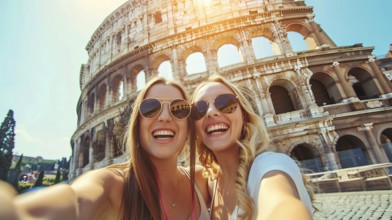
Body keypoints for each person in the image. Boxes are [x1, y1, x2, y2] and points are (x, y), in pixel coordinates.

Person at [0, 76, 210, 220]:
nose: (164, 116)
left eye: (178, 109)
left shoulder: (203, 180)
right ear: (137, 126)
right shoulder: (113, 185)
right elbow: (76, 199)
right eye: (150, 108)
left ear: (189, 126)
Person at [190, 74, 313, 220]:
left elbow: (280, 204)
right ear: (194, 126)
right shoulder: (209, 182)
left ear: (244, 116)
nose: (211, 112)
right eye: (199, 109)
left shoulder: (271, 165)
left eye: (225, 103)